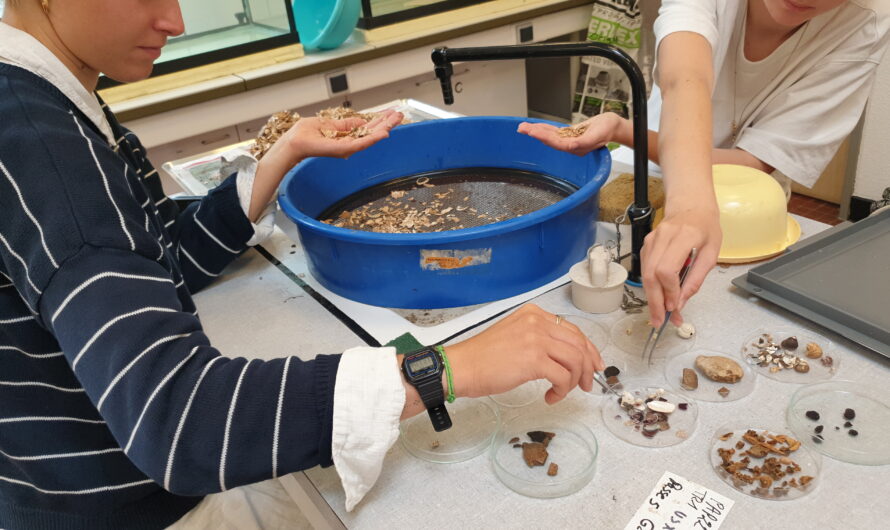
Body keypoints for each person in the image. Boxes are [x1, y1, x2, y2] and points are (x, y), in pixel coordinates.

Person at [0, 1, 605, 528]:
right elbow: (177, 419)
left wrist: (281, 158)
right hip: (114, 507)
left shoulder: (50, 102)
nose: (175, 21)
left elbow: (163, 256)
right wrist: (443, 368)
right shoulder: (42, 145)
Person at [519, 0, 890, 329]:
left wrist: (631, 138)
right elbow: (685, 78)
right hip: (662, 180)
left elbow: (753, 163)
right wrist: (626, 133)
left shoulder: (868, 21)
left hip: (747, 207)